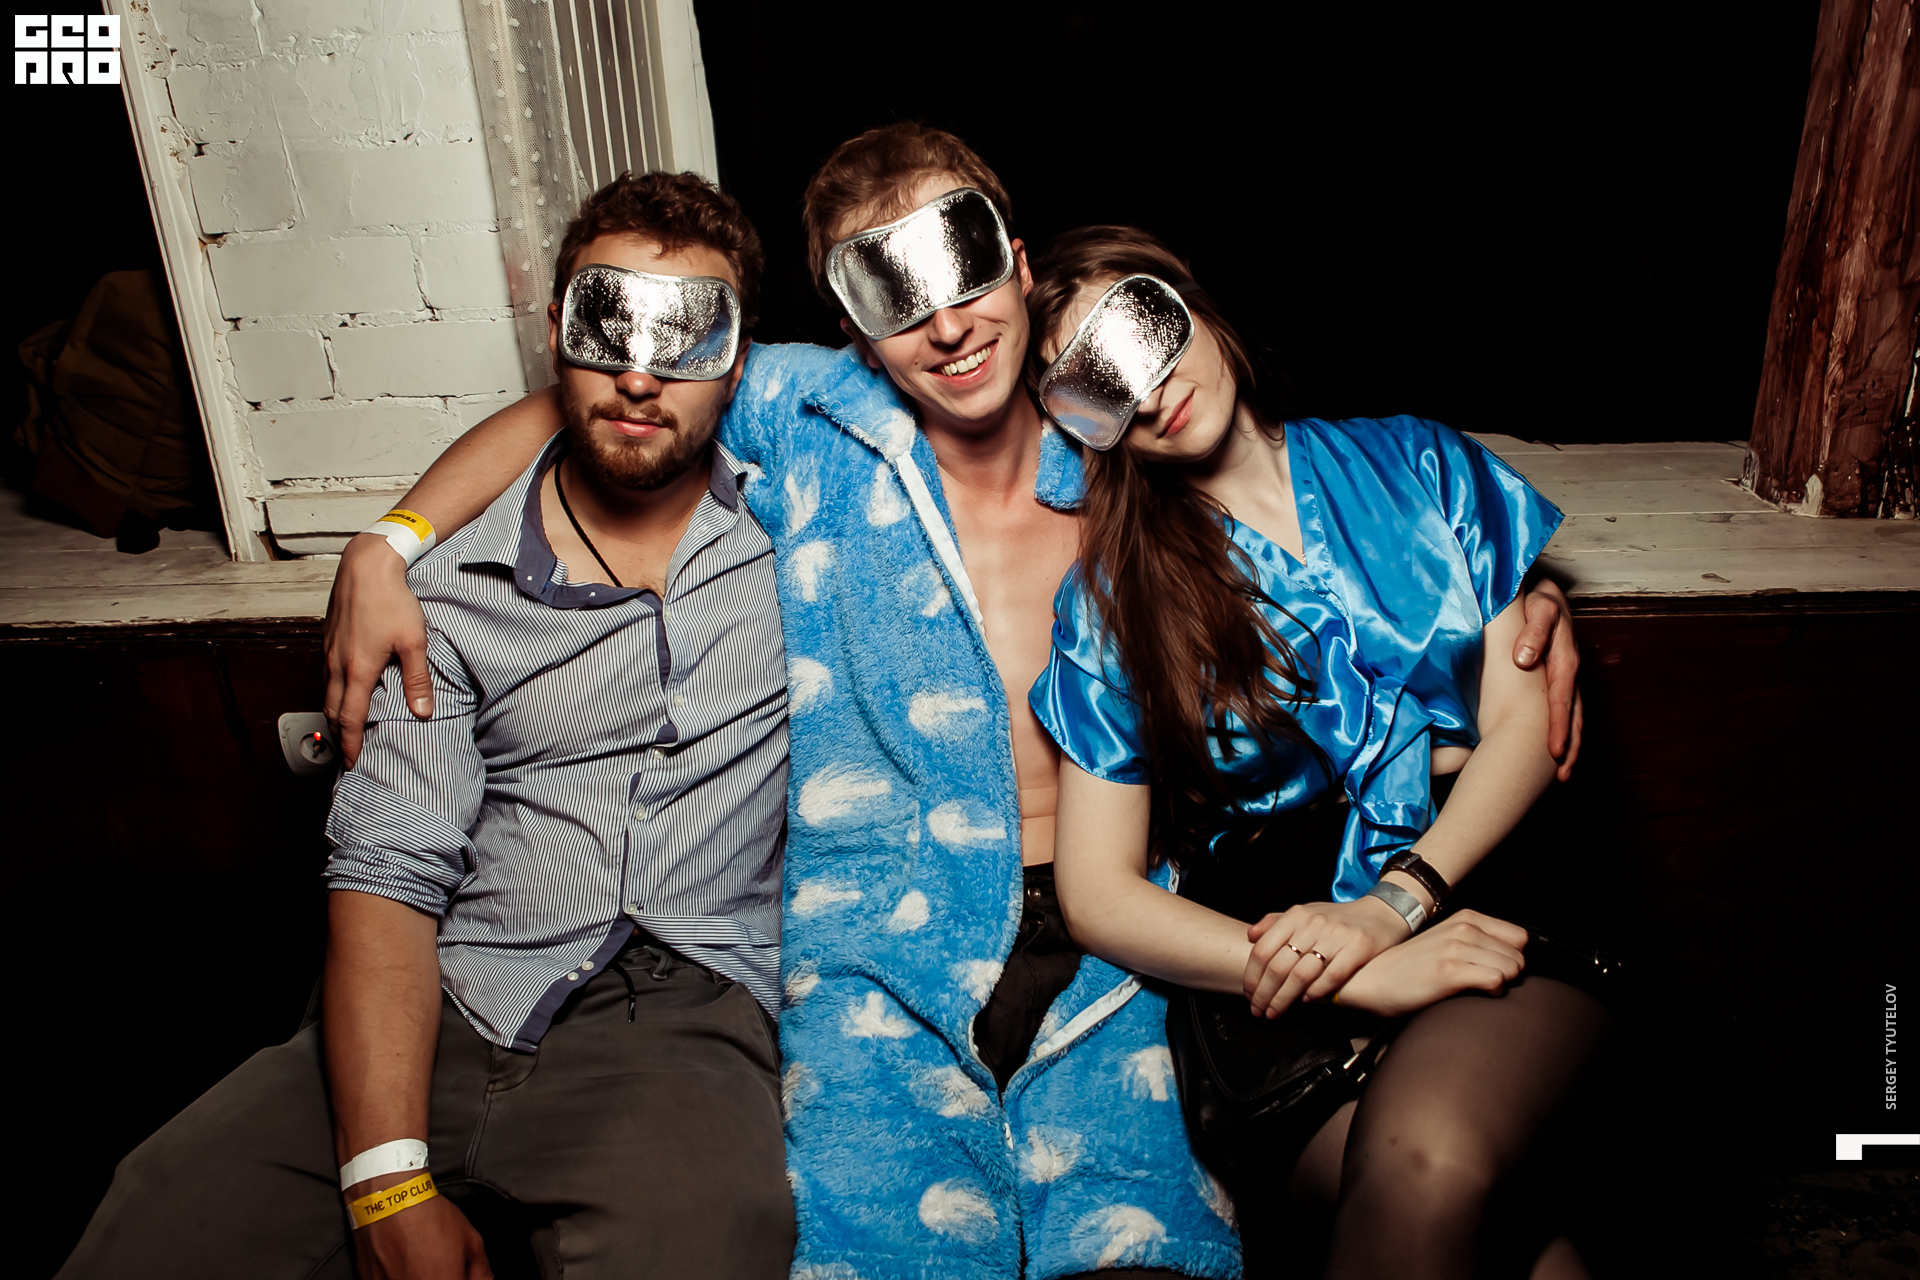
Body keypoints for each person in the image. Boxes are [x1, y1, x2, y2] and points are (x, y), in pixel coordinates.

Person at [322, 126, 1586, 1279]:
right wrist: (391, 543)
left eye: (965, 267)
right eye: (893, 295)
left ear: (1021, 266)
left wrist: (1508, 601)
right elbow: (581, 401)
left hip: (1125, 935)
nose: (945, 326)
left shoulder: (1115, 424)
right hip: (882, 934)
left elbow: (1308, 526)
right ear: (851, 328)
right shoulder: (804, 418)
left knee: (1147, 1250)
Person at [59, 172, 794, 1280]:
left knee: (711, 1233)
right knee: (159, 1222)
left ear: (739, 366)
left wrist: (384, 533)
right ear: (556, 339)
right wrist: (388, 1179)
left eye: (686, 340)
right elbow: (385, 874)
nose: (641, 375)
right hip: (447, 988)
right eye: (606, 327)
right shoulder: (438, 592)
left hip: (676, 1012)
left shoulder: (801, 523)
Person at [1026, 226, 1614, 1279]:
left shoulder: (1420, 462)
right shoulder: (1112, 604)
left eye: (1146, 332)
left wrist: (1391, 910)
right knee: (1500, 1240)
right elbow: (1099, 893)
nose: (1149, 393)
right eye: (1101, 387)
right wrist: (1340, 972)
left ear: (1196, 305)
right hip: (1278, 953)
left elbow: (1526, 726)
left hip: (1485, 867)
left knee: (1429, 1163)